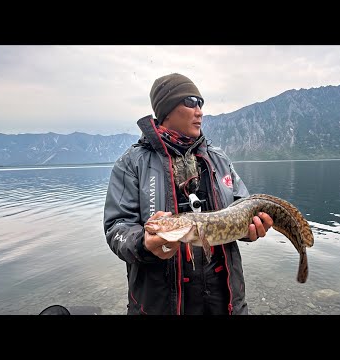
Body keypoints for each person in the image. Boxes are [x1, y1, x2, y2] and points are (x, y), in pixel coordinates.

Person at [103, 73, 273, 315]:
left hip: (225, 303)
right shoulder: (131, 164)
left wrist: (251, 231)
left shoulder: (218, 159)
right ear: (167, 110)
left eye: (201, 103)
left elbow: (241, 207)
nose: (199, 111)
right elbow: (116, 227)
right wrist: (143, 243)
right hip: (161, 305)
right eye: (191, 102)